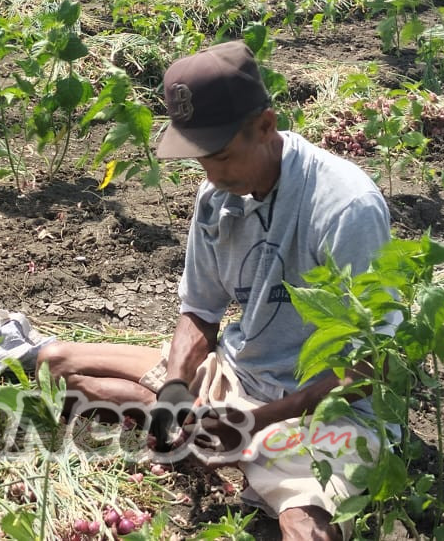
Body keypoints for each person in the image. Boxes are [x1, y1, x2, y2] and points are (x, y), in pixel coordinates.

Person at [36, 40, 392, 541]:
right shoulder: (217, 197)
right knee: (56, 365)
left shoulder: (345, 207)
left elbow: (371, 366)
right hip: (240, 371)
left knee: (302, 523)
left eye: (222, 156)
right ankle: (210, 435)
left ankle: (245, 450)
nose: (211, 174)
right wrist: (176, 385)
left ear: (266, 126)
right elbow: (200, 311)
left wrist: (258, 421)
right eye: (201, 158)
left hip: (319, 403)